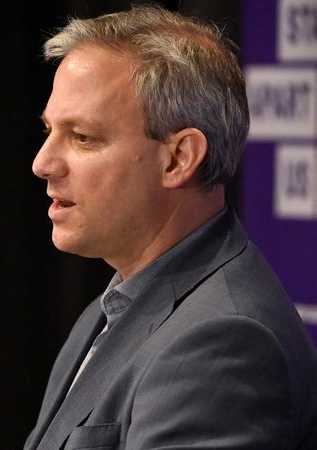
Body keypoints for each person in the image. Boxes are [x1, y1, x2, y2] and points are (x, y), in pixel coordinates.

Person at [25, 5, 317, 450]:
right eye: (48, 130)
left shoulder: (223, 342)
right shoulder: (117, 301)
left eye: (83, 137)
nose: (42, 163)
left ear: (179, 158)